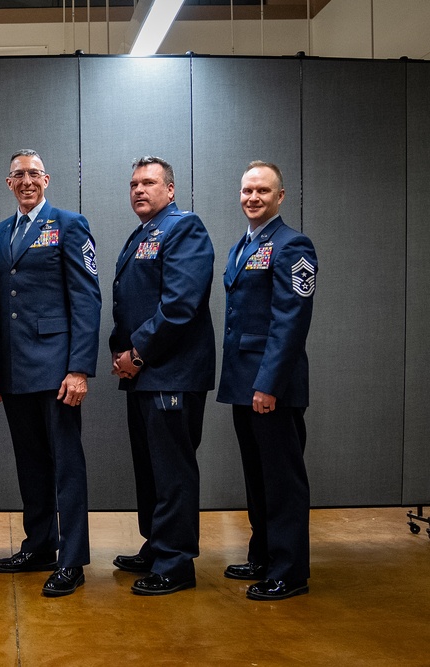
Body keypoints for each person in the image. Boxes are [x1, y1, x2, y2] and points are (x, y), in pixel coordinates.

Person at [0, 150, 101, 598]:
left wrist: (78, 368)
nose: (27, 181)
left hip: (56, 370)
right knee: (30, 464)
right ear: (8, 182)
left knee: (66, 466)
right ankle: (39, 546)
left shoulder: (70, 225)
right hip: (14, 371)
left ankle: (72, 561)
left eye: (34, 173)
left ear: (47, 179)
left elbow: (87, 299)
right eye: (19, 175)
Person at [109, 156, 215, 596]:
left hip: (171, 373)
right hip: (144, 375)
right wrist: (121, 352)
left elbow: (179, 306)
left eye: (149, 182)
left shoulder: (185, 228)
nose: (139, 189)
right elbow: (128, 303)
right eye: (134, 183)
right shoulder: (143, 234)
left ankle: (176, 563)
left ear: (170, 190)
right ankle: (156, 545)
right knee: (151, 469)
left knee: (173, 472)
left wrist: (138, 352)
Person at [217, 161, 317, 601]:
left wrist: (268, 385)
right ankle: (263, 554)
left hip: (270, 387)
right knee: (257, 478)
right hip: (245, 383)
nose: (252, 198)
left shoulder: (294, 245)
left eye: (262, 191)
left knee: (282, 482)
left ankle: (290, 571)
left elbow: (290, 322)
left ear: (280, 196)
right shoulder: (245, 244)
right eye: (246, 191)